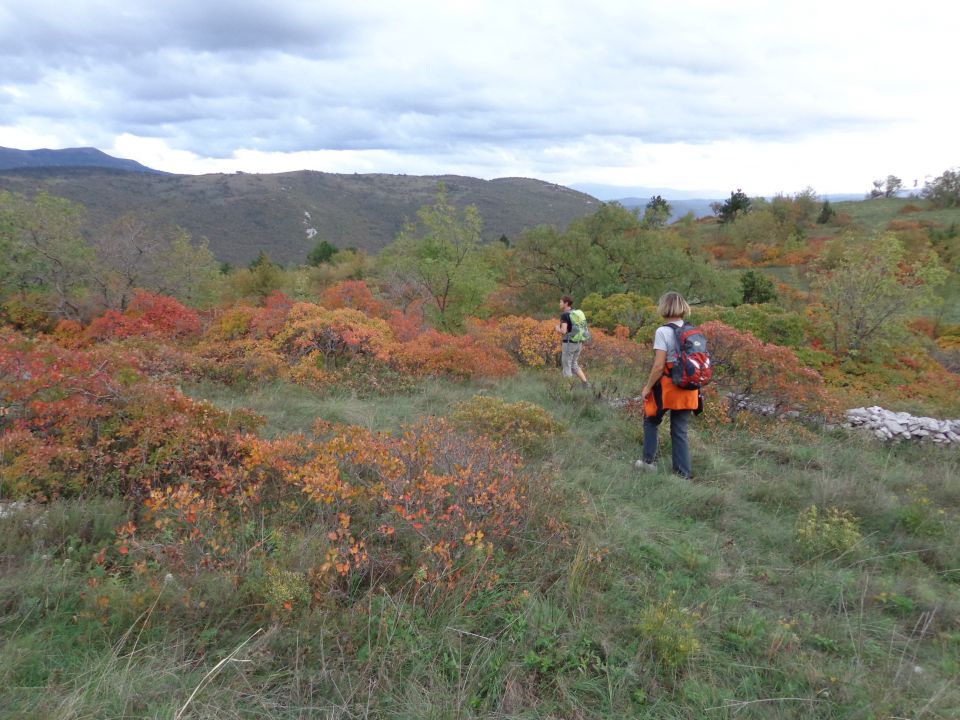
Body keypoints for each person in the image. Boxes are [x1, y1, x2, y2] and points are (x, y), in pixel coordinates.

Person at [635, 291, 700, 479]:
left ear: (664, 308)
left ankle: (648, 463)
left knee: (651, 419)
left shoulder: (663, 331)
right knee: (680, 430)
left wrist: (647, 387)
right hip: (690, 387)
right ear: (683, 308)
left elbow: (658, 366)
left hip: (668, 388)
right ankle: (683, 475)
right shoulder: (693, 330)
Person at [556, 295, 589, 388]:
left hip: (569, 344)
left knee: (566, 366)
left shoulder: (565, 315)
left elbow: (563, 331)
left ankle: (569, 389)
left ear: (566, 303)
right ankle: (585, 383)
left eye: (561, 302)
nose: (559, 304)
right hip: (578, 343)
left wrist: (557, 328)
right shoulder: (575, 313)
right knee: (574, 364)